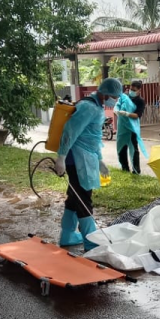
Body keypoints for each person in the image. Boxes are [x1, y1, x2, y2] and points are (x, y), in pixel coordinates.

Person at [54, 77, 122, 251]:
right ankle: (91, 241)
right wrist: (61, 157)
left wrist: (100, 160)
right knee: (84, 198)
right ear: (106, 93)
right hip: (77, 159)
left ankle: (68, 235)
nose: (114, 100)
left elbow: (92, 137)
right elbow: (70, 131)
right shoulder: (88, 107)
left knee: (74, 197)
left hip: (86, 158)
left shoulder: (97, 107)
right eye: (114, 97)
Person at [115, 80, 147, 174]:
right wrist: (116, 109)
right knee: (121, 148)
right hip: (122, 126)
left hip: (132, 128)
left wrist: (126, 113)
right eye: (130, 89)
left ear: (139, 90)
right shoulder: (125, 97)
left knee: (133, 149)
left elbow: (137, 115)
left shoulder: (140, 101)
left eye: (134, 90)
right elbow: (118, 104)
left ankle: (136, 170)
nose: (131, 91)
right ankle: (124, 168)